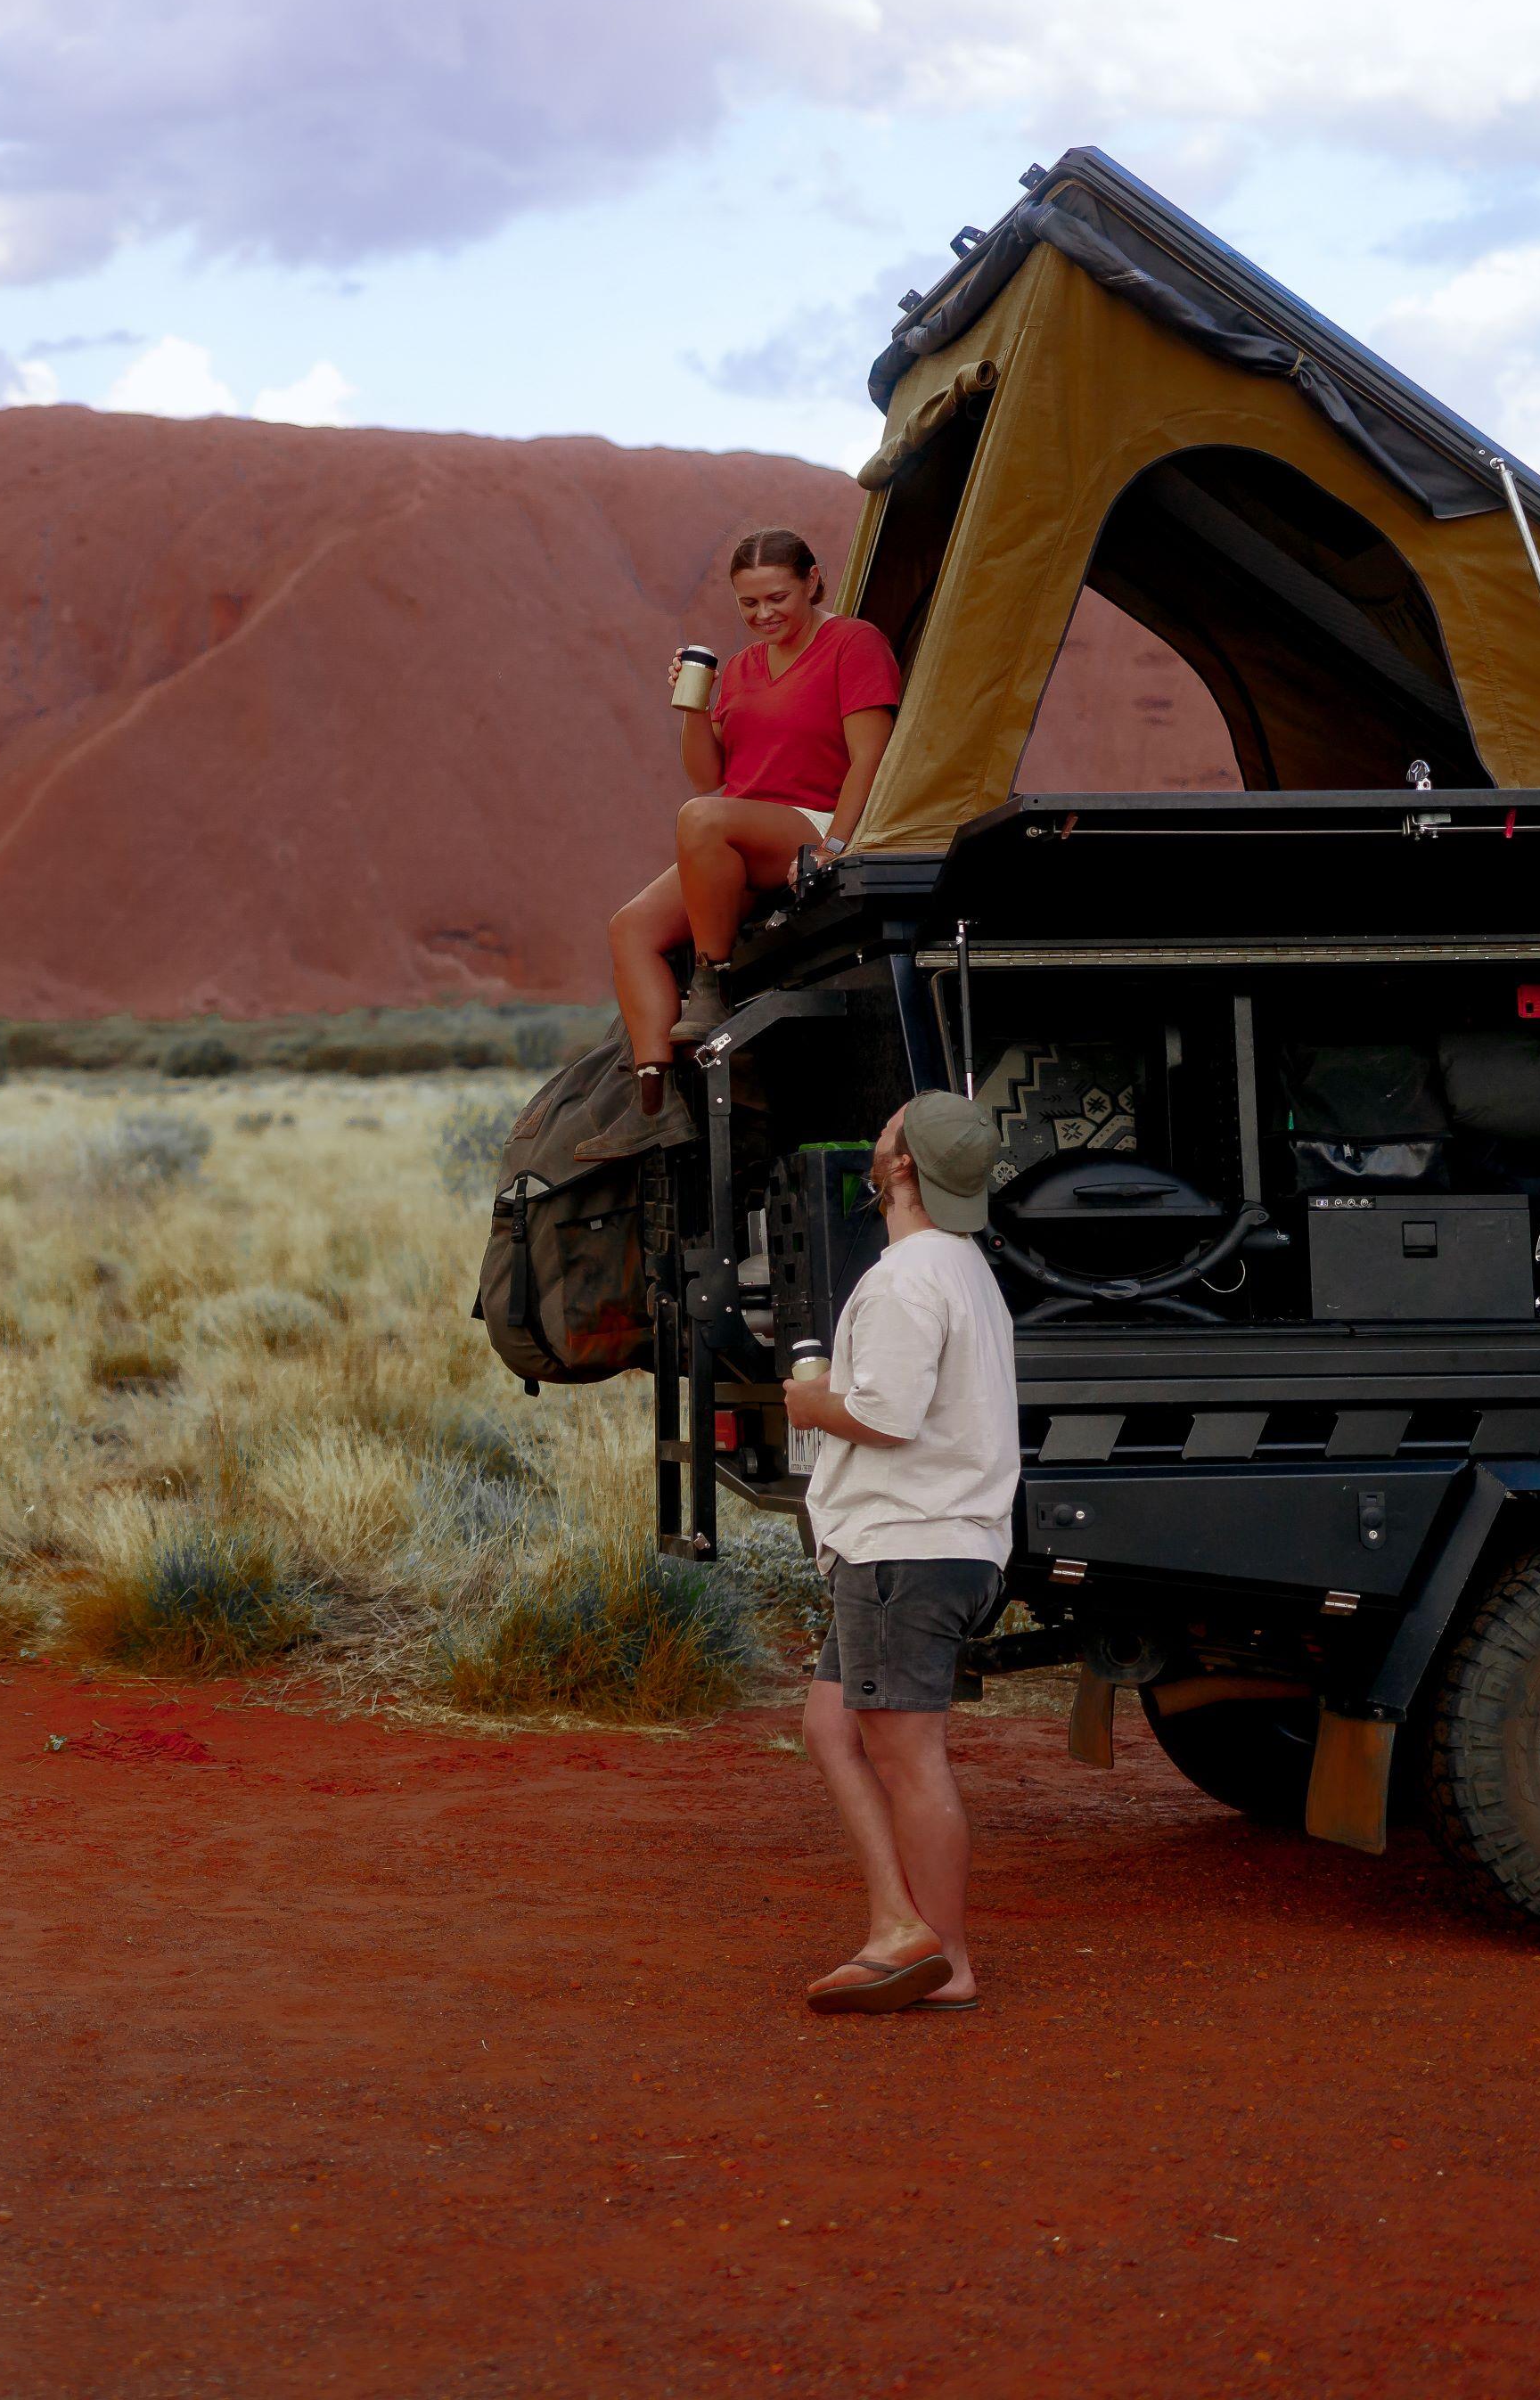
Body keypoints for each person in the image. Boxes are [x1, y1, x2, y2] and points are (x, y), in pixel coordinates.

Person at [780, 1091, 1019, 2014]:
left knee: (908, 1753)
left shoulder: (906, 1276)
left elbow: (882, 1416)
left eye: (885, 1137)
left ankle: (945, 1957)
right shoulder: (963, 1269)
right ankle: (898, 1924)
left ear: (906, 1168)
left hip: (904, 1548)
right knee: (831, 1729)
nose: (874, 1146)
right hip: (926, 1544)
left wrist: (809, 1405)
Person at [586, 528, 899, 1160]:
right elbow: (710, 779)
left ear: (814, 580)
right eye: (748, 604)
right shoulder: (741, 668)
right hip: (740, 827)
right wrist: (693, 710)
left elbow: (872, 756)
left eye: (777, 597)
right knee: (631, 930)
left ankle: (711, 982)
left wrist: (837, 842)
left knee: (702, 819)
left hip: (813, 820)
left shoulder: (853, 644)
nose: (764, 615)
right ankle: (652, 1103)